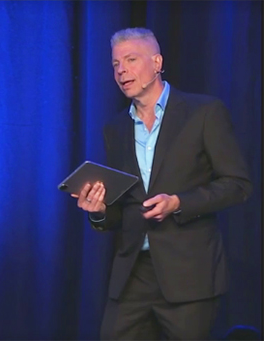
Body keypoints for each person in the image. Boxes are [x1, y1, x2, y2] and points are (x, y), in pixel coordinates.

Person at [73, 27, 252, 340]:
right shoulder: (115, 129)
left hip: (189, 275)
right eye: (115, 64)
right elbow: (120, 210)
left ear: (157, 63)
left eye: (131, 59)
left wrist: (179, 203)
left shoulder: (203, 112)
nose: (121, 70)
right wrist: (99, 211)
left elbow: (238, 185)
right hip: (133, 275)